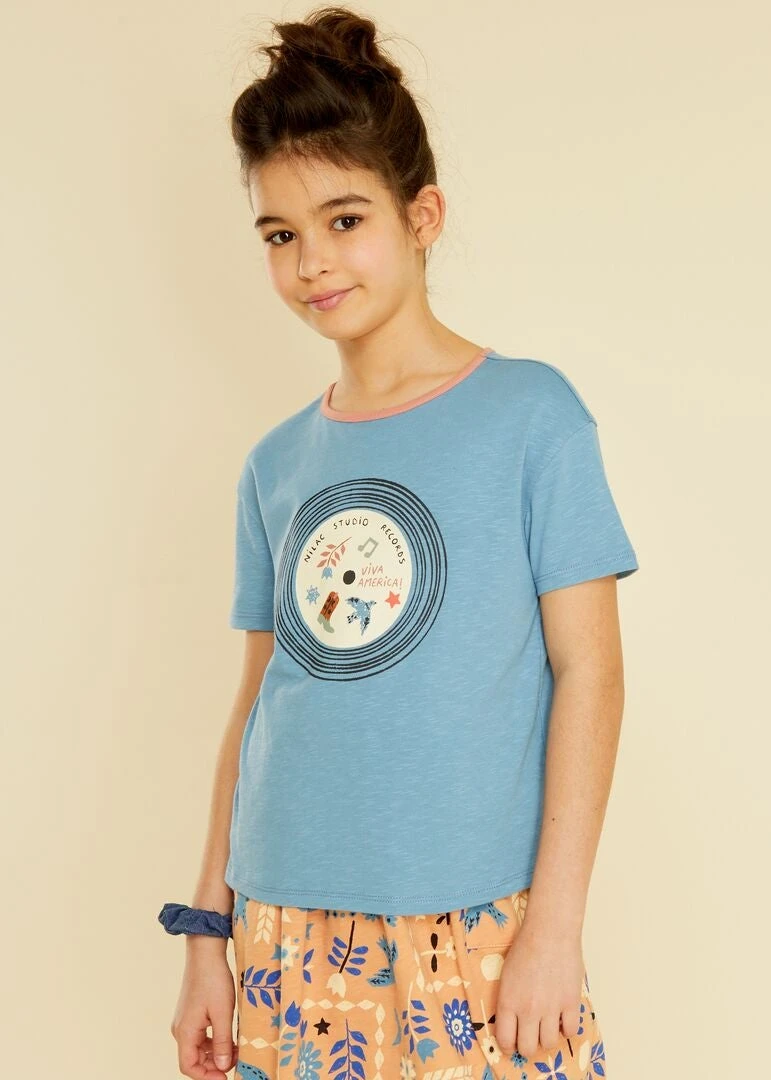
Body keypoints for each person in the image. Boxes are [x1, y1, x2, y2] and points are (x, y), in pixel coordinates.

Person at [159, 6, 639, 1079]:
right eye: (280, 235)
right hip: (284, 928)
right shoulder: (276, 464)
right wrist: (206, 935)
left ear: (423, 215)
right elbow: (257, 706)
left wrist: (554, 929)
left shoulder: (532, 418)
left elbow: (592, 673)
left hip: (474, 927)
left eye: (344, 219)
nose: (311, 263)